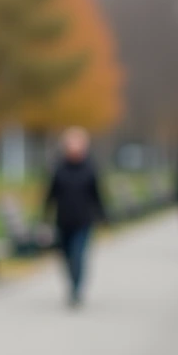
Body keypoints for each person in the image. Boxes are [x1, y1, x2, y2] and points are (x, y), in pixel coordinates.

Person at [42, 127, 107, 308]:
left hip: (83, 221)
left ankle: (76, 290)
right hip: (63, 220)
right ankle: (72, 285)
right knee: (66, 257)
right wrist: (45, 218)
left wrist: (103, 216)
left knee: (78, 255)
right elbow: (50, 194)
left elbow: (97, 194)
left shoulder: (89, 168)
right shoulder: (59, 168)